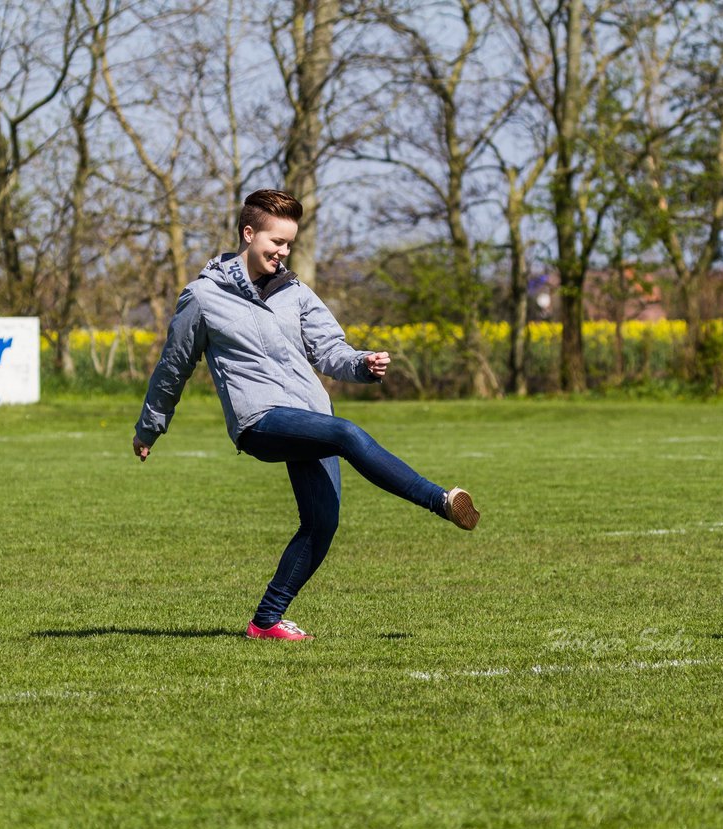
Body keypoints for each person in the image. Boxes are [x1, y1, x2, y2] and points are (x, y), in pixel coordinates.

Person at [132, 189, 480, 641]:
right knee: (347, 433)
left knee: (321, 524)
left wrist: (361, 363)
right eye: (276, 242)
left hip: (309, 417)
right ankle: (440, 500)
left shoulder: (292, 291)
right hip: (260, 421)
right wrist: (150, 427)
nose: (282, 252)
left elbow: (328, 348)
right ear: (248, 232)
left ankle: (265, 622)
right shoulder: (202, 297)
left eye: (290, 244)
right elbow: (173, 367)